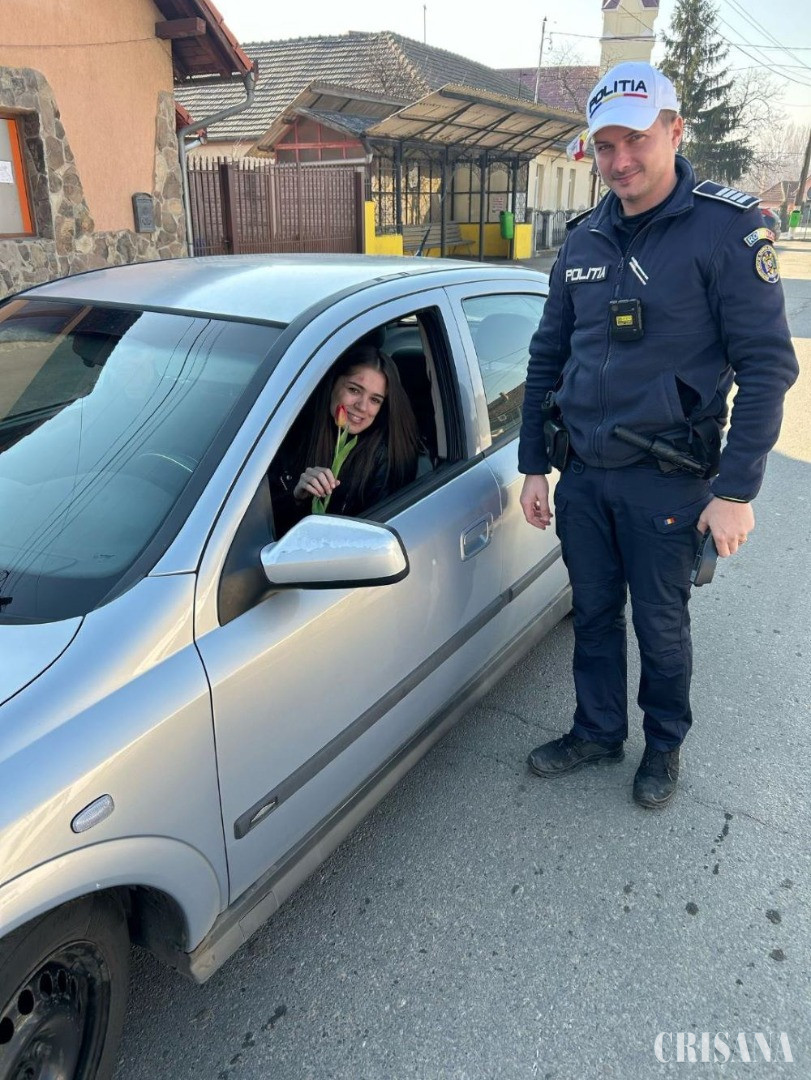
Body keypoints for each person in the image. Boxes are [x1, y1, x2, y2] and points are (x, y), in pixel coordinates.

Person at [518, 61, 799, 809]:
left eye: (635, 140)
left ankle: (663, 745)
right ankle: (597, 731)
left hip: (668, 482)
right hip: (583, 475)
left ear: (675, 131)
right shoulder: (583, 238)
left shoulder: (726, 230)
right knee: (593, 615)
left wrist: (735, 491)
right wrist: (533, 465)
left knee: (661, 627)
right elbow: (547, 356)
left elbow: (767, 368)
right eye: (605, 146)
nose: (619, 161)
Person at [271, 342, 420, 534]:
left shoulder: (385, 458)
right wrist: (296, 498)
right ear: (333, 383)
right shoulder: (291, 430)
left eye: (375, 400)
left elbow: (369, 537)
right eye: (354, 390)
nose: (362, 407)